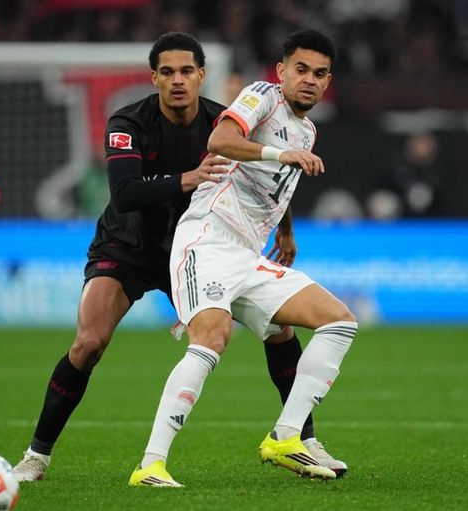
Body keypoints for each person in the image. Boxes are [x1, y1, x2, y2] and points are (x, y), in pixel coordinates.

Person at [12, 31, 330, 482]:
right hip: (128, 245)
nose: (178, 80)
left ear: (201, 75)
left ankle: (304, 441)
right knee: (89, 344)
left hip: (196, 246)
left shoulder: (224, 122)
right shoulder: (128, 122)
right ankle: (36, 456)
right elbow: (124, 194)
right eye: (167, 72)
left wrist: (286, 228)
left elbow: (267, 172)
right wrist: (189, 177)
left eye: (186, 71)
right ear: (154, 78)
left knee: (280, 330)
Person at [129, 29, 358, 488]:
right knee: (211, 338)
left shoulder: (307, 130)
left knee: (339, 321)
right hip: (208, 238)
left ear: (328, 81)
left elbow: (278, 182)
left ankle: (287, 436)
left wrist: (286, 230)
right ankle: (150, 466)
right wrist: (280, 152)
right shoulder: (262, 97)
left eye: (319, 74)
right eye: (300, 70)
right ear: (281, 72)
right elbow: (221, 139)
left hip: (248, 253)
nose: (309, 80)